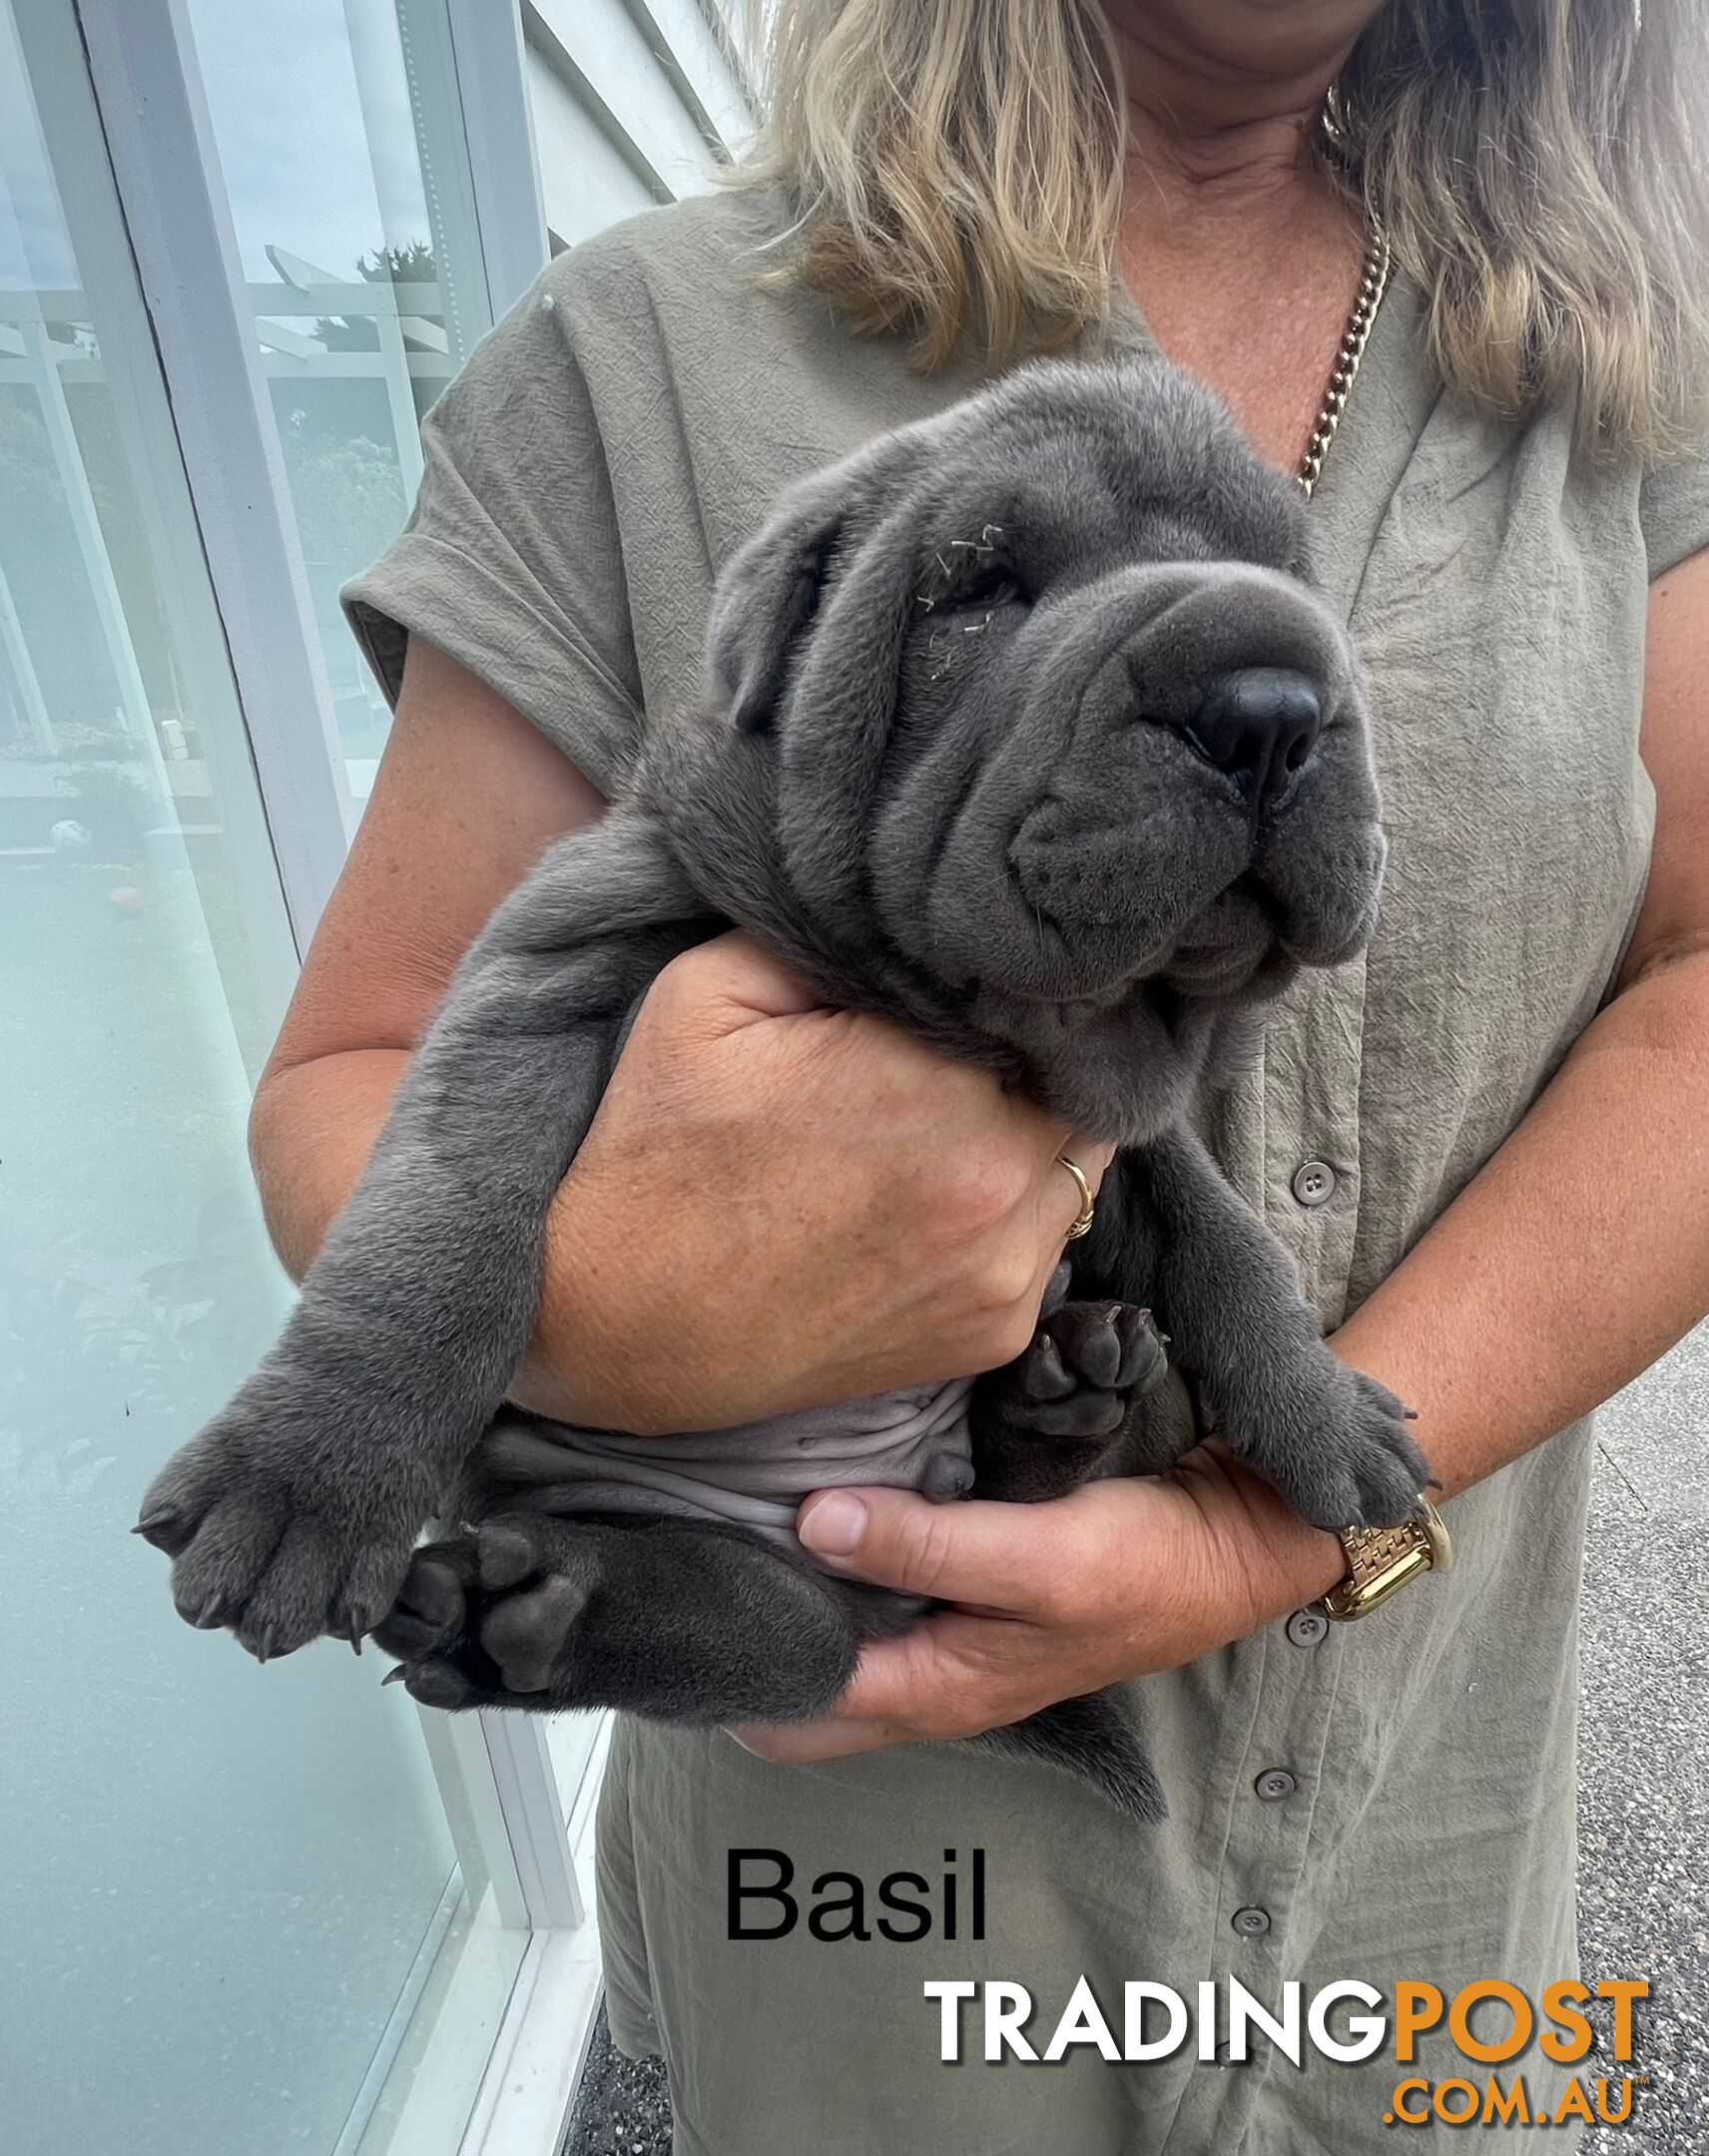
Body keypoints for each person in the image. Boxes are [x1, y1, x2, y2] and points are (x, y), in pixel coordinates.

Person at [271, 2, 1708, 2147]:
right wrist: (633, 1307)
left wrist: (1262, 1537)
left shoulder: (1605, 375)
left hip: (1425, 1830)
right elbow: (365, 1065)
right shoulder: (648, 351)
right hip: (872, 1889)